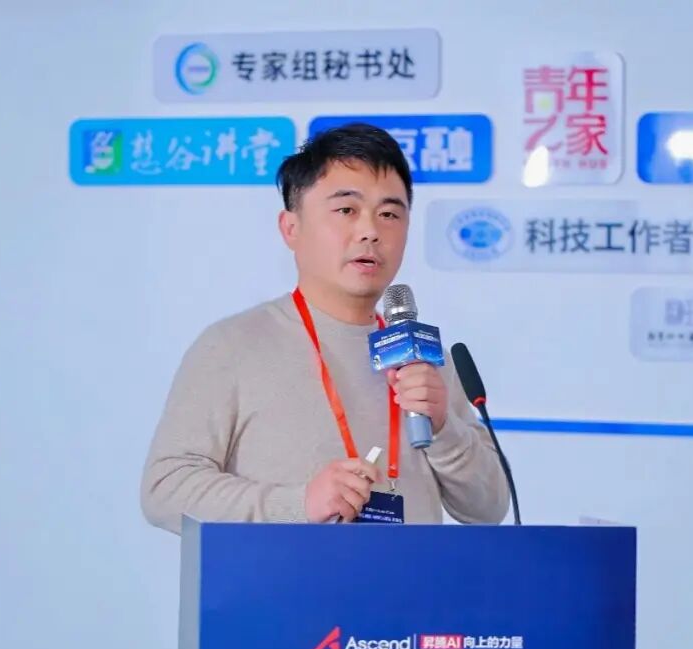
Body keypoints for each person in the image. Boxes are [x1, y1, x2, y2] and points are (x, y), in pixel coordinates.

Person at [140, 122, 510, 534]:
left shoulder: (421, 358)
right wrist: (297, 504)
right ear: (291, 227)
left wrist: (443, 427)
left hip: (415, 578)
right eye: (346, 210)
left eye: (389, 214)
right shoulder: (232, 345)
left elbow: (489, 508)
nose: (370, 231)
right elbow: (165, 489)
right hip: (288, 578)